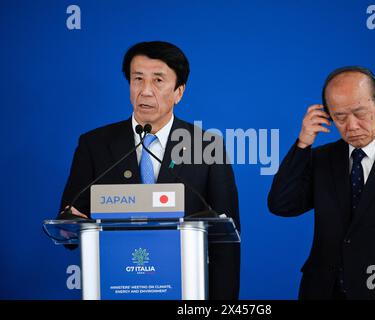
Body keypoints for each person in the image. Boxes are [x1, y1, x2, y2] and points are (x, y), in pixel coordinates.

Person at [59, 41, 240, 300]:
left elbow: (226, 243)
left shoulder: (207, 147)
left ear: (179, 91)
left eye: (158, 81)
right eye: (137, 79)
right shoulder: (94, 144)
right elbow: (69, 226)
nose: (145, 91)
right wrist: (70, 223)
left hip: (185, 291)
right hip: (115, 287)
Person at [268, 66, 375, 300]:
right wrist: (303, 144)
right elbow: (282, 204)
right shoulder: (323, 158)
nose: (351, 126)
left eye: (360, 113)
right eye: (340, 117)